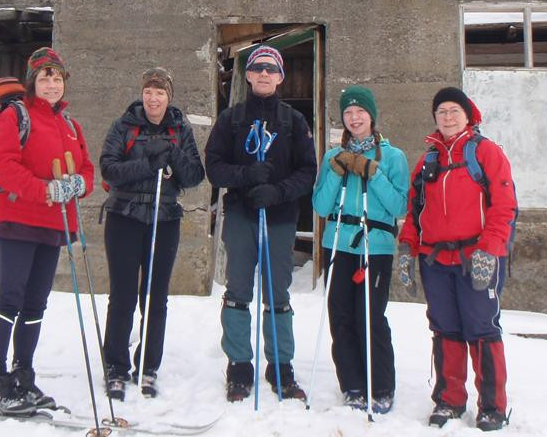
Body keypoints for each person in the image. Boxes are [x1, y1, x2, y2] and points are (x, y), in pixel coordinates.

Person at [0, 47, 95, 415]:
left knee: (35, 303)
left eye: (58, 77)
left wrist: (78, 185)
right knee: (10, 298)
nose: (52, 83)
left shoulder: (70, 125)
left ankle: (23, 376)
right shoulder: (16, 116)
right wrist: (45, 190)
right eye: (45, 76)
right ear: (33, 82)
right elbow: (2, 164)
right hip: (18, 218)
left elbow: (87, 168)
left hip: (53, 224)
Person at [398, 86, 517, 432]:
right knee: (445, 328)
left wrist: (491, 250)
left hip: (476, 257)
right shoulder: (428, 160)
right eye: (441, 112)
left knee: (482, 328)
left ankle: (492, 407)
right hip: (436, 261)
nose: (448, 118)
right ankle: (449, 400)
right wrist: (408, 249)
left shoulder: (486, 152)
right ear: (435, 118)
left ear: (468, 115)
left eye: (454, 111)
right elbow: (414, 209)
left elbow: (505, 206)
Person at [205, 45, 317, 402]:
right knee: (238, 290)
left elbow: (308, 171)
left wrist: (279, 191)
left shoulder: (293, 121)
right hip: (241, 214)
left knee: (278, 293)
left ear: (281, 77)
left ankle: (281, 365)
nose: (265, 75)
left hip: (279, 217)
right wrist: (245, 176)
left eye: (272, 69)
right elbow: (214, 166)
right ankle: (239, 365)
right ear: (249, 75)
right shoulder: (231, 119)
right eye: (258, 69)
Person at [99, 67, 205, 400]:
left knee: (155, 298)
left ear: (168, 96)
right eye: (148, 91)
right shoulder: (124, 126)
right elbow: (109, 169)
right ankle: (115, 367)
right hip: (125, 215)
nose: (153, 98)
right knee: (123, 296)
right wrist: (149, 165)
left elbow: (194, 175)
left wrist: (172, 154)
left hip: (165, 217)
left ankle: (147, 365)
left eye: (159, 92)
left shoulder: (180, 129)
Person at [312, 86, 409, 413]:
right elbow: (321, 205)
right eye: (348, 113)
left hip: (375, 245)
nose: (354, 118)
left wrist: (374, 174)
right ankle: (352, 384)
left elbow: (399, 205)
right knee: (340, 316)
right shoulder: (330, 157)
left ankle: (381, 386)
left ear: (372, 115)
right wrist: (337, 173)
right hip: (337, 242)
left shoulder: (392, 156)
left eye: (360, 112)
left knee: (370, 316)